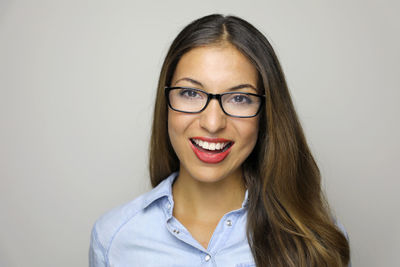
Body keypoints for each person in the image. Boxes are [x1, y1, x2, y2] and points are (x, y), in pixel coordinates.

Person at [89, 14, 350, 267]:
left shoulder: (316, 243)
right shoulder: (114, 238)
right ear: (166, 103)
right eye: (190, 93)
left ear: (267, 114)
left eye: (239, 98)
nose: (213, 124)